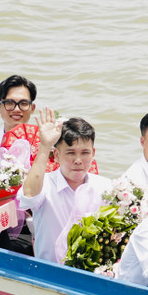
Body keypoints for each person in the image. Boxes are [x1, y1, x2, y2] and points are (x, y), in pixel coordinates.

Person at [18, 109, 114, 265]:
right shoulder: (45, 184)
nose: (78, 160)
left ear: (93, 153)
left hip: (92, 272)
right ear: (56, 155)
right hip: (49, 271)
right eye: (70, 153)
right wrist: (44, 145)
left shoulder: (106, 187)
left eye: (85, 153)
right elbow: (28, 197)